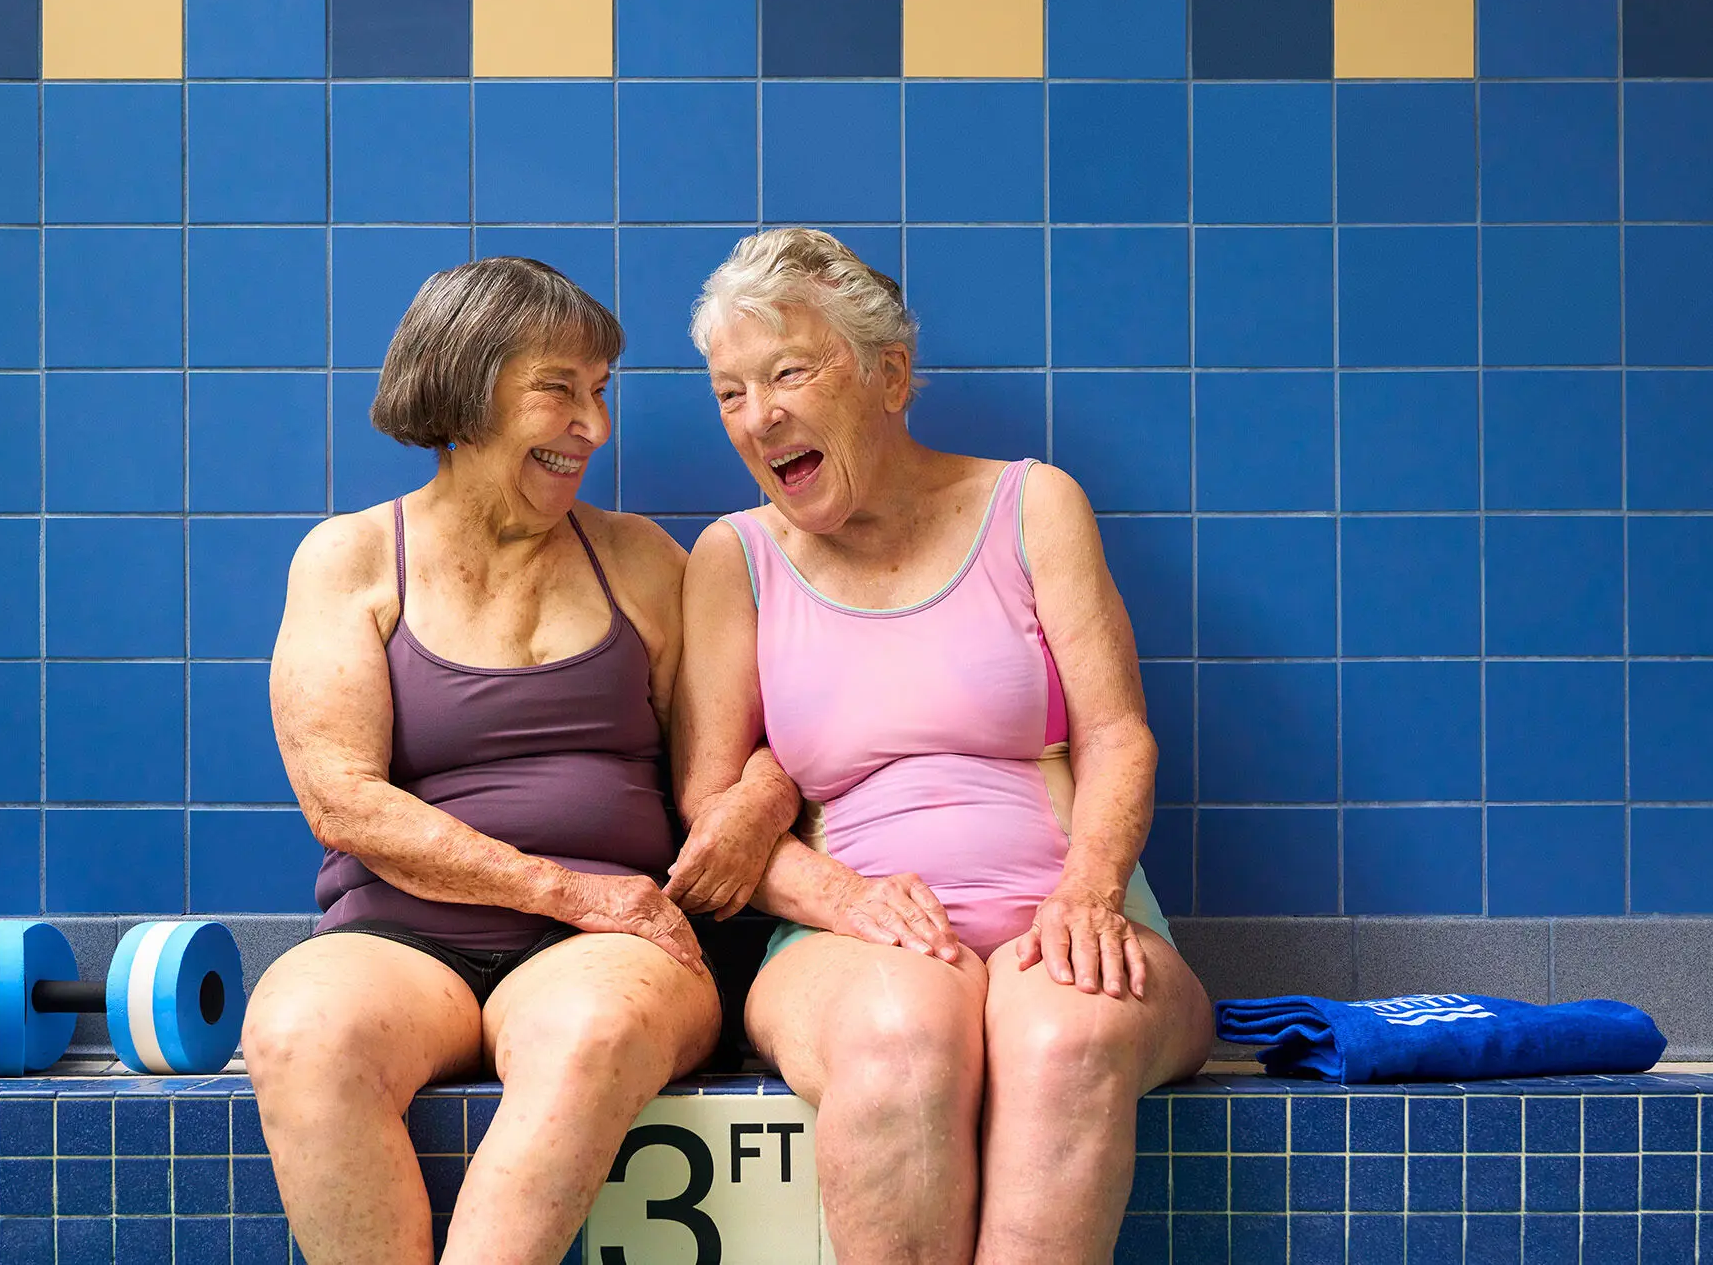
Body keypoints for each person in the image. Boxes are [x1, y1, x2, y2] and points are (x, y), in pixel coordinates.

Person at [671, 228, 1216, 1264]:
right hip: (847, 945)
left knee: (1065, 1035)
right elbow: (708, 802)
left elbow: (1116, 734)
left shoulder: (1031, 504)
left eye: (789, 372)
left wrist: (1088, 891)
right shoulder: (732, 558)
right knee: (902, 1034)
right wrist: (846, 901)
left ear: (890, 375)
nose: (758, 415)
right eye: (730, 392)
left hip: (1069, 914)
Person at [244, 257, 721, 1265]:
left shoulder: (644, 561)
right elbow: (342, 803)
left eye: (600, 392)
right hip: (400, 937)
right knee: (300, 1033)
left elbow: (728, 759)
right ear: (465, 387)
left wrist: (752, 807)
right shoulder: (351, 560)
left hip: (607, 947)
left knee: (591, 1033)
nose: (593, 427)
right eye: (559, 389)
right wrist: (563, 888)